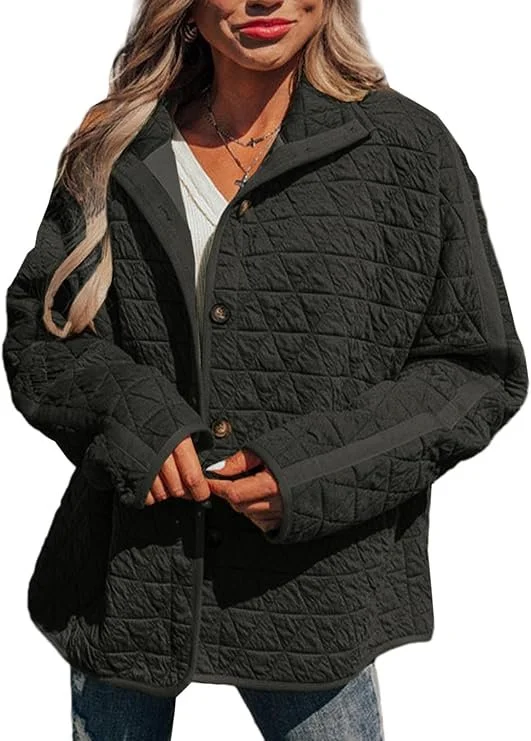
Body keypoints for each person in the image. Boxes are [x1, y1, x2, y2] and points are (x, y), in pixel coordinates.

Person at [3, 0, 528, 738]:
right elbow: (43, 334)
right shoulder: (118, 141)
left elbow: (475, 370)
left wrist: (313, 471)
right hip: (130, 579)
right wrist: (136, 423)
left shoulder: (409, 150)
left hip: (313, 593)